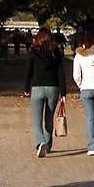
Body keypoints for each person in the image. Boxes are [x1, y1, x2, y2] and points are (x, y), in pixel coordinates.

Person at [23, 27, 66, 158]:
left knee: (36, 120)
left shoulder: (33, 53)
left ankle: (40, 141)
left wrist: (26, 88)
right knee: (49, 118)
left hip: (37, 88)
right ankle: (47, 145)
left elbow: (28, 72)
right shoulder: (56, 53)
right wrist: (63, 92)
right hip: (53, 88)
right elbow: (61, 74)